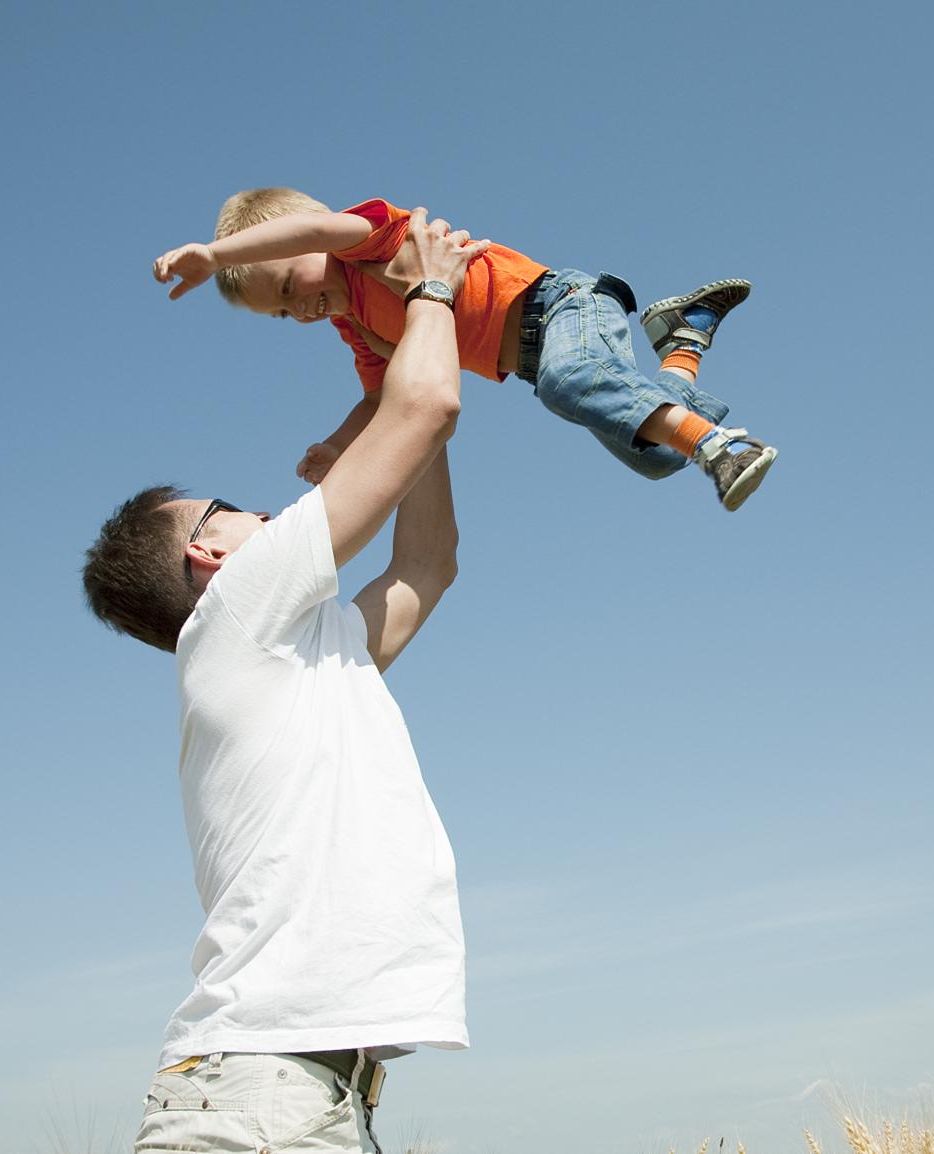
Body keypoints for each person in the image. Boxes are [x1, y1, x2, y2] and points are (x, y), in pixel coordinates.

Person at [83, 209, 485, 1153]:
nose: (261, 509)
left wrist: (395, 387)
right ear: (208, 557)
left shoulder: (294, 654)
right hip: (260, 1097)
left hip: (287, 1095)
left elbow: (428, 565)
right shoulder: (235, 616)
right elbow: (429, 408)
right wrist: (424, 296)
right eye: (229, 510)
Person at [152, 188, 780, 511]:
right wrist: (337, 446)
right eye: (283, 312)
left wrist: (216, 254)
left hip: (562, 308)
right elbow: (380, 395)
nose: (300, 311)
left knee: (574, 383)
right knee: (651, 456)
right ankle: (685, 338)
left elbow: (317, 229)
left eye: (290, 286)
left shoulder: (369, 241)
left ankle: (723, 444)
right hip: (541, 363)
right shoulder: (357, 329)